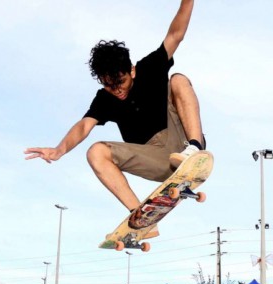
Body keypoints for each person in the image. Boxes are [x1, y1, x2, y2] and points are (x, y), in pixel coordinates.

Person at [25, 0, 204, 239]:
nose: (116, 90)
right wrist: (59, 150)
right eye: (108, 86)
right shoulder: (105, 98)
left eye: (120, 82)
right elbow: (83, 126)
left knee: (179, 80)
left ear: (131, 70)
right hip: (154, 157)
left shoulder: (150, 66)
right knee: (95, 152)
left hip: (180, 143)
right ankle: (143, 217)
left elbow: (176, 34)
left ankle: (195, 149)